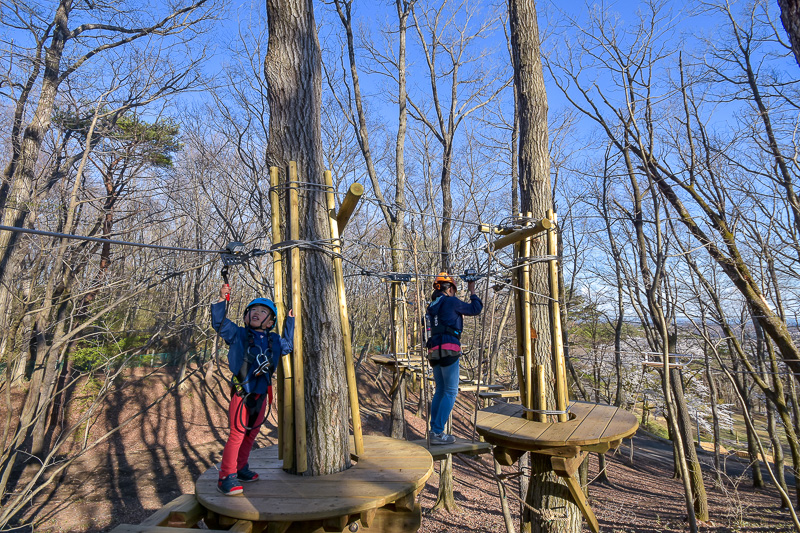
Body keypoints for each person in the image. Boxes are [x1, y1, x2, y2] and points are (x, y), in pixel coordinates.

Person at [211, 284, 294, 495]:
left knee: (251, 434)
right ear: (246, 317)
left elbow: (288, 346)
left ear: (271, 321)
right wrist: (222, 299)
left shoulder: (274, 340)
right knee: (237, 434)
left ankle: (240, 468)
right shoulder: (237, 334)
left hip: (261, 394)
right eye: (253, 310)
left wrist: (291, 321)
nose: (257, 313)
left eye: (263, 311)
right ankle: (226, 476)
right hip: (242, 392)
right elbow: (219, 323)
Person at [425, 272, 482, 445]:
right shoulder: (450, 301)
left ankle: (434, 430)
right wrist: (472, 291)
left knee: (440, 390)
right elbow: (475, 309)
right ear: (450, 288)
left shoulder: (432, 306)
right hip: (449, 348)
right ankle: (436, 432)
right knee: (450, 391)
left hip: (434, 350)